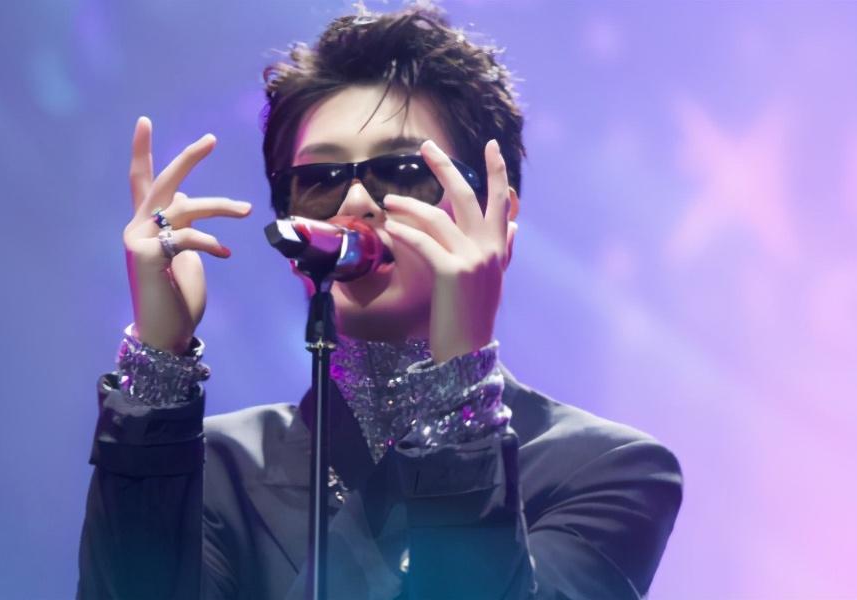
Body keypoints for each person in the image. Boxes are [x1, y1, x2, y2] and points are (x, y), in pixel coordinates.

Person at [77, 4, 683, 599]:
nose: (355, 203)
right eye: (320, 181)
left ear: (496, 221)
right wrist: (158, 362)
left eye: (401, 171)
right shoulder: (216, 466)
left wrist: (458, 377)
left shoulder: (606, 470)